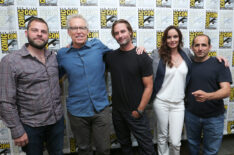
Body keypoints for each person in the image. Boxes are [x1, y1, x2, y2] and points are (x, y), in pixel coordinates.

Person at [0, 17, 64, 155]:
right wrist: (17, 131)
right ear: (26, 33)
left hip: (56, 121)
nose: (39, 34)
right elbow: (5, 101)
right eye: (35, 30)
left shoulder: (54, 56)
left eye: (43, 31)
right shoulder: (10, 61)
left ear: (48, 35)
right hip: (31, 126)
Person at [57, 14, 111, 155]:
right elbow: (55, 76)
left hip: (100, 109)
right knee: (83, 149)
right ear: (69, 32)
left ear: (87, 31)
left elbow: (119, 57)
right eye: (74, 28)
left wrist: (137, 50)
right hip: (77, 111)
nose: (79, 31)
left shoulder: (98, 46)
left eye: (82, 27)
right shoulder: (62, 54)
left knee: (104, 149)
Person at [104, 19, 156, 155]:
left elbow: (149, 86)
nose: (120, 35)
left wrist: (139, 110)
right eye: (116, 33)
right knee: (125, 145)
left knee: (147, 147)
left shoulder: (142, 56)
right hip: (117, 111)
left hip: (136, 111)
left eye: (123, 31)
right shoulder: (110, 56)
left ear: (130, 32)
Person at [185, 34, 232, 155]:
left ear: (210, 47)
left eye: (204, 45)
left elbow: (226, 91)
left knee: (211, 149)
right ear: (192, 47)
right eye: (197, 45)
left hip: (214, 117)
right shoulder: (186, 65)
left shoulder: (220, 64)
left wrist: (208, 96)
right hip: (191, 115)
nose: (200, 48)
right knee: (192, 144)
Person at [151, 25, 192, 155]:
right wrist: (139, 49)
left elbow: (202, 59)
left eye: (175, 36)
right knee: (162, 136)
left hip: (179, 103)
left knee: (175, 141)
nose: (172, 40)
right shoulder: (157, 54)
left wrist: (219, 59)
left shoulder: (186, 52)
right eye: (169, 37)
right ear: (165, 39)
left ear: (179, 38)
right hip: (161, 101)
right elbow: (143, 64)